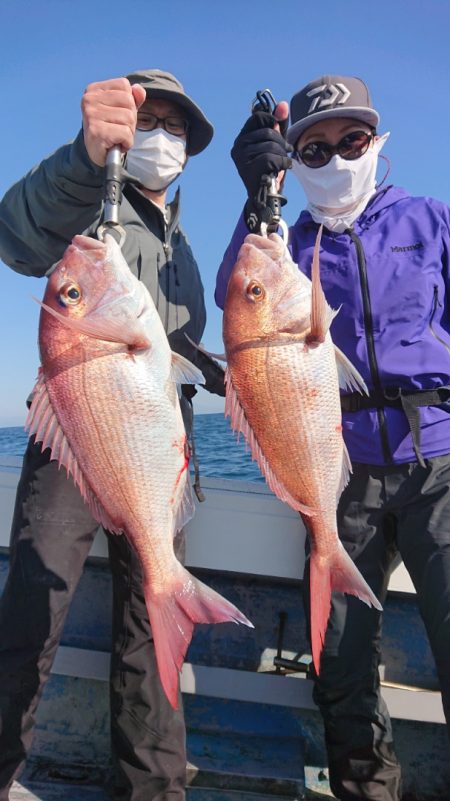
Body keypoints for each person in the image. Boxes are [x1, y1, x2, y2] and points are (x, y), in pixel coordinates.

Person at [215, 74, 450, 801]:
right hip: (336, 469)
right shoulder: (286, 244)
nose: (336, 156)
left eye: (350, 140)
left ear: (376, 143)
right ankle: (363, 789)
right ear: (296, 164)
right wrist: (256, 195)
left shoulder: (432, 221)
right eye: (313, 149)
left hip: (438, 462)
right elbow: (241, 306)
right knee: (340, 657)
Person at [0, 69, 225, 801]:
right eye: (145, 117)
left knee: (148, 632)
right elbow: (17, 232)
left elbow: (172, 343)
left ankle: (154, 791)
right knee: (33, 613)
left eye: (173, 124)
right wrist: (84, 155)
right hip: (80, 431)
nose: (158, 133)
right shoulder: (89, 202)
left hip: (156, 444)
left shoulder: (183, 245)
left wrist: (217, 368)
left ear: (189, 146)